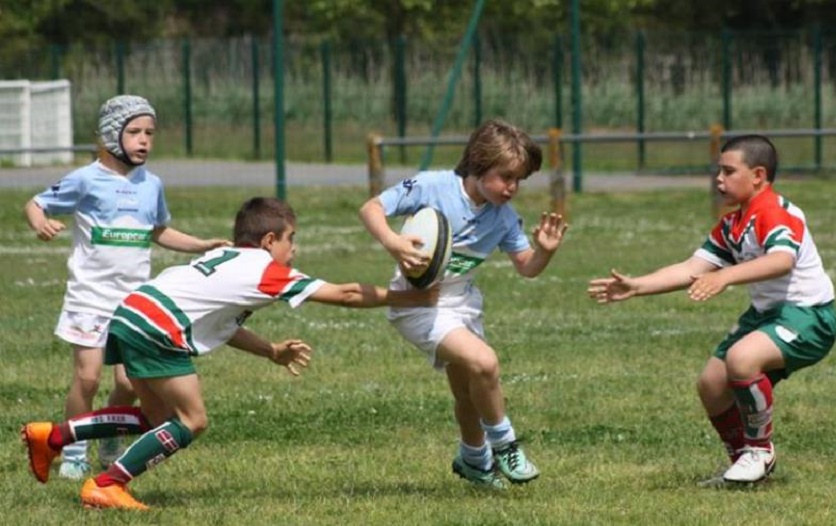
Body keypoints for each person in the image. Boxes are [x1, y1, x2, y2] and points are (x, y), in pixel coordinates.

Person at [21, 196, 438, 510]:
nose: (294, 250)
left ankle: (54, 436)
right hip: (158, 327)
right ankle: (108, 485)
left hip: (133, 313)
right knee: (192, 421)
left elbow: (222, 326)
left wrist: (272, 350)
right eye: (291, 240)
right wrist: (410, 298)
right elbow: (346, 294)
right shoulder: (264, 270)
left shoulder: (224, 258)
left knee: (155, 420)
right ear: (269, 239)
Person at [587, 134, 836, 484]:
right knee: (711, 385)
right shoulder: (733, 225)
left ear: (758, 176)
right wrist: (637, 286)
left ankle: (760, 452)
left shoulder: (775, 212)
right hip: (768, 315)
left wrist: (726, 277)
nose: (718, 179)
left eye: (728, 171)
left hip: (809, 315)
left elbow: (782, 260)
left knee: (741, 359)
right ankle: (742, 464)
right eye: (718, 171)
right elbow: (691, 268)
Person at [23, 94, 230, 480]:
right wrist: (40, 223)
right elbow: (35, 204)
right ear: (110, 134)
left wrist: (202, 244)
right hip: (89, 296)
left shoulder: (151, 185)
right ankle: (72, 452)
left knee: (130, 383)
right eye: (134, 131)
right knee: (87, 377)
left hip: (135, 303)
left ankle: (109, 438)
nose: (144, 140)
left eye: (150, 132)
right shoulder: (86, 179)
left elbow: (159, 231)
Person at [359, 119, 569, 489]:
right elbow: (372, 208)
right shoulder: (432, 186)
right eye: (506, 177)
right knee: (485, 362)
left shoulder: (503, 217)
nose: (513, 188)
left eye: (520, 180)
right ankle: (505, 445)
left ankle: (474, 459)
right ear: (478, 163)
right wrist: (393, 241)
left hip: (462, 303)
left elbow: (527, 268)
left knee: (468, 389)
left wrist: (545, 253)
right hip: (419, 303)